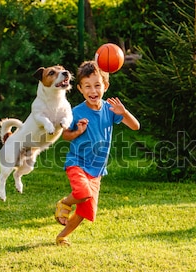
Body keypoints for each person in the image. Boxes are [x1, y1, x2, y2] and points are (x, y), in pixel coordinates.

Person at [54, 60, 140, 246]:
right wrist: (77, 131)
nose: (93, 91)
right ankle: (65, 203)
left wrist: (123, 112)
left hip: (97, 169)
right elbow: (65, 135)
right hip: (77, 161)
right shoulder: (76, 112)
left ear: (105, 86)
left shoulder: (111, 110)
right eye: (88, 86)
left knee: (85, 211)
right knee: (82, 193)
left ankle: (62, 236)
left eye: (97, 85)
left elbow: (135, 126)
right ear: (80, 89)